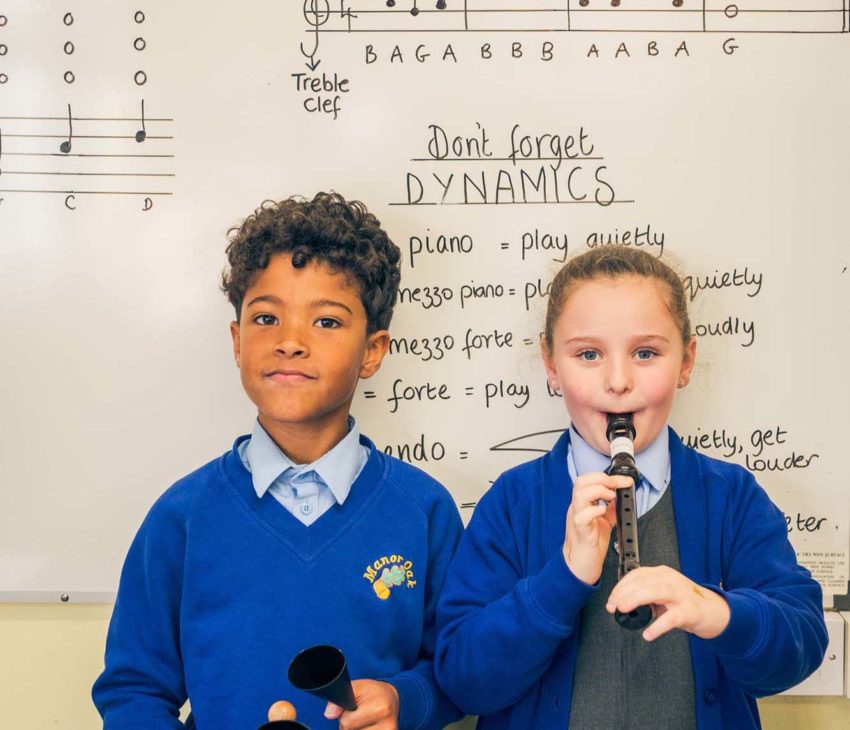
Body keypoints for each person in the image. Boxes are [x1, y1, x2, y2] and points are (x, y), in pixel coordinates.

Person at [92, 193, 463, 730]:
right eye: (266, 318)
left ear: (373, 351)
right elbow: (133, 689)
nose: (290, 342)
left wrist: (404, 700)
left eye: (327, 323)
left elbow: (456, 672)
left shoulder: (423, 511)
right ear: (238, 342)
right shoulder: (183, 518)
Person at [433, 246, 827, 729]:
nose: (618, 382)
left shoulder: (733, 497)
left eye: (646, 353)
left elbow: (802, 644)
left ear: (686, 360)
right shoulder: (513, 503)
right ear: (551, 364)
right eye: (588, 354)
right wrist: (562, 580)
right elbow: (462, 679)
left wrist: (719, 611)